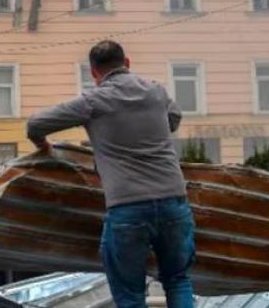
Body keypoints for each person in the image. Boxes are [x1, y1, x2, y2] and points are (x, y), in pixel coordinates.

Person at [27, 40, 193, 308]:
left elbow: (35, 124)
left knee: (131, 295)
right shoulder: (156, 91)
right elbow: (174, 119)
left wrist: (44, 147)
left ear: (94, 73)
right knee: (178, 280)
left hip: (127, 207)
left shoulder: (92, 101)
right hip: (174, 200)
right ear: (127, 63)